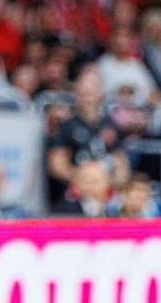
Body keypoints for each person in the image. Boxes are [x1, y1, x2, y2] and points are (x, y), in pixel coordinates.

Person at [44, 67, 121, 207]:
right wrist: (87, 181)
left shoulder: (110, 124)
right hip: (74, 195)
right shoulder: (66, 125)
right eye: (83, 93)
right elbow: (56, 164)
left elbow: (120, 162)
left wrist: (109, 181)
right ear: (76, 94)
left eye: (91, 92)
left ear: (100, 93)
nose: (87, 97)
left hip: (106, 194)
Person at [52, 158, 117, 217]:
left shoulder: (117, 209)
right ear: (75, 183)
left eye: (95, 180)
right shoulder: (62, 211)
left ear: (107, 184)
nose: (90, 185)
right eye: (85, 180)